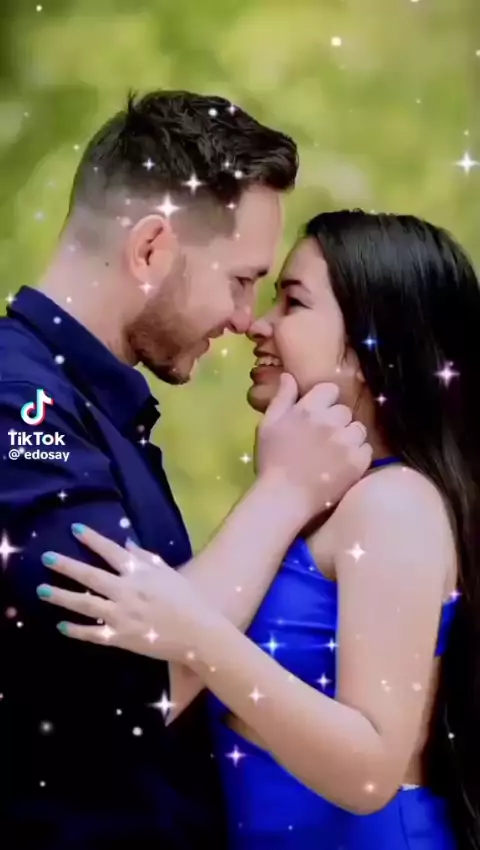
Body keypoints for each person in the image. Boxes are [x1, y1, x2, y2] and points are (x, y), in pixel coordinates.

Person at [38, 210, 480, 849]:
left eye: (292, 302)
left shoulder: (394, 505)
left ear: (371, 346)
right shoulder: (327, 501)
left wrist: (196, 632)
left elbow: (371, 768)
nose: (257, 324)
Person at [0, 92, 371, 849]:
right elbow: (130, 694)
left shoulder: (92, 407)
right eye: (240, 280)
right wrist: (285, 492)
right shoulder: (22, 408)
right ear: (150, 250)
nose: (245, 319)